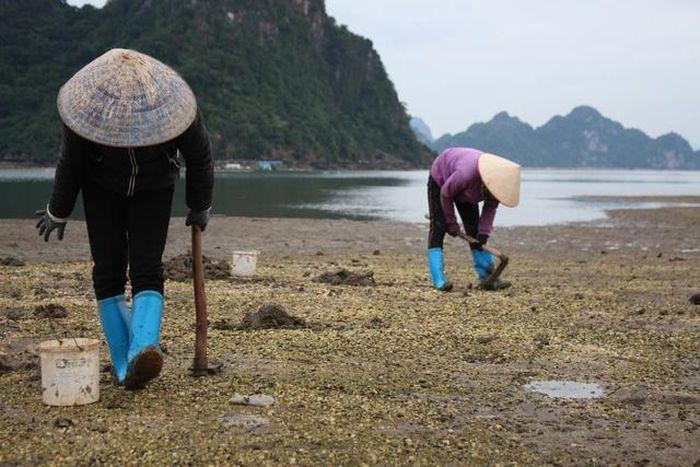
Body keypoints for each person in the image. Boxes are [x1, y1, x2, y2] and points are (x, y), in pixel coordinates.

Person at [35, 49, 214, 389]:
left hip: (154, 187)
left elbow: (200, 155)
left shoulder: (176, 108)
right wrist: (57, 211)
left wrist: (199, 204)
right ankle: (124, 366)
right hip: (101, 187)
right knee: (107, 270)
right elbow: (70, 162)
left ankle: (141, 350)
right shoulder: (86, 108)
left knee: (147, 266)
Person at [427, 147, 520, 291]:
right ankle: (439, 279)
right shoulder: (466, 174)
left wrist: (483, 233)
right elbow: (446, 194)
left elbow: (489, 209)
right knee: (439, 227)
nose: (492, 198)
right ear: (485, 184)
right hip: (442, 180)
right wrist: (451, 222)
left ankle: (487, 276)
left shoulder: (496, 188)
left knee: (475, 232)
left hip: (467, 191)